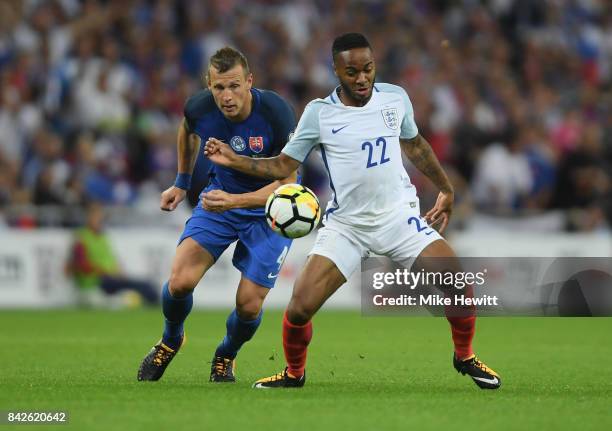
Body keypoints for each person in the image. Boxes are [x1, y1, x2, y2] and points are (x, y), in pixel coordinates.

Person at [204, 33, 501, 390]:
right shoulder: (320, 113)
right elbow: (283, 163)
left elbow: (416, 145)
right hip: (347, 226)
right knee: (298, 308)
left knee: (458, 285)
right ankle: (294, 374)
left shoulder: (395, 99)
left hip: (398, 220)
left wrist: (446, 188)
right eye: (352, 72)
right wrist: (236, 160)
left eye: (367, 69)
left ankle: (464, 356)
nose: (361, 78)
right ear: (336, 71)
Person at [137, 47, 297, 382]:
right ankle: (171, 339)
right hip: (219, 201)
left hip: (269, 212)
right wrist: (181, 183)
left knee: (249, 306)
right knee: (180, 282)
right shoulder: (199, 108)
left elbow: (287, 187)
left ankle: (226, 354)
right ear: (208, 85)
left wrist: (235, 202)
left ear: (249, 81)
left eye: (235, 86)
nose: (227, 96)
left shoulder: (276, 113)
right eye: (219, 87)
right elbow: (186, 130)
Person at [67, 202, 159, 307]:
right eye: (95, 216)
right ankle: (155, 302)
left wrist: (118, 271)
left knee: (143, 283)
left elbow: (111, 260)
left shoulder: (103, 237)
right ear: (88, 218)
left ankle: (153, 301)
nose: (99, 220)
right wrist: (104, 271)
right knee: (140, 285)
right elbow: (81, 265)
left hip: (110, 278)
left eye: (100, 216)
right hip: (97, 280)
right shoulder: (81, 237)